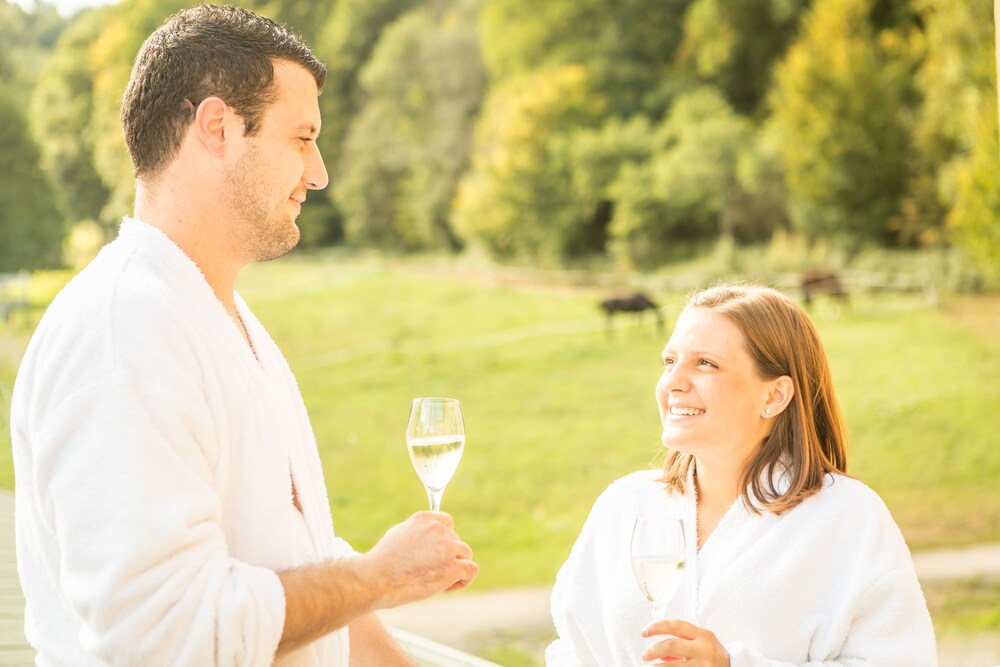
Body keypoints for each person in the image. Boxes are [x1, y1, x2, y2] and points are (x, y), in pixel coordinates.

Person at [10, 5, 477, 665]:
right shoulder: (123, 331)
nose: (319, 173)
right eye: (302, 138)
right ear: (219, 127)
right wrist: (379, 576)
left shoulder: (215, 317)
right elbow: (163, 632)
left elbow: (299, 564)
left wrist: (373, 601)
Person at [546, 284, 937, 666]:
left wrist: (731, 665)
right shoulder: (623, 505)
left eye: (706, 363)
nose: (673, 383)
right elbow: (571, 649)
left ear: (774, 396)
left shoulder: (847, 516)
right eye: (669, 361)